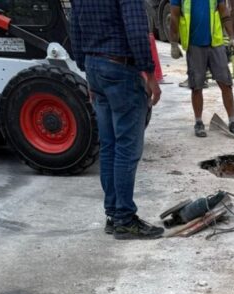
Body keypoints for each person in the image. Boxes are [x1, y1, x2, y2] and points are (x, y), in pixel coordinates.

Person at [71, 0, 165, 240]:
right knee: (126, 148)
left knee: (110, 146)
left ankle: (113, 214)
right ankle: (124, 218)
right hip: (120, 69)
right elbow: (135, 29)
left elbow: (76, 29)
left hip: (95, 66)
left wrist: (86, 69)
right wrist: (150, 74)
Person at [168, 0, 234, 138]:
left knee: (226, 83)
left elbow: (224, 12)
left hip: (215, 43)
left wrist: (232, 37)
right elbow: (174, 16)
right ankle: (198, 122)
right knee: (196, 86)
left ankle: (232, 121)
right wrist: (174, 43)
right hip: (194, 44)